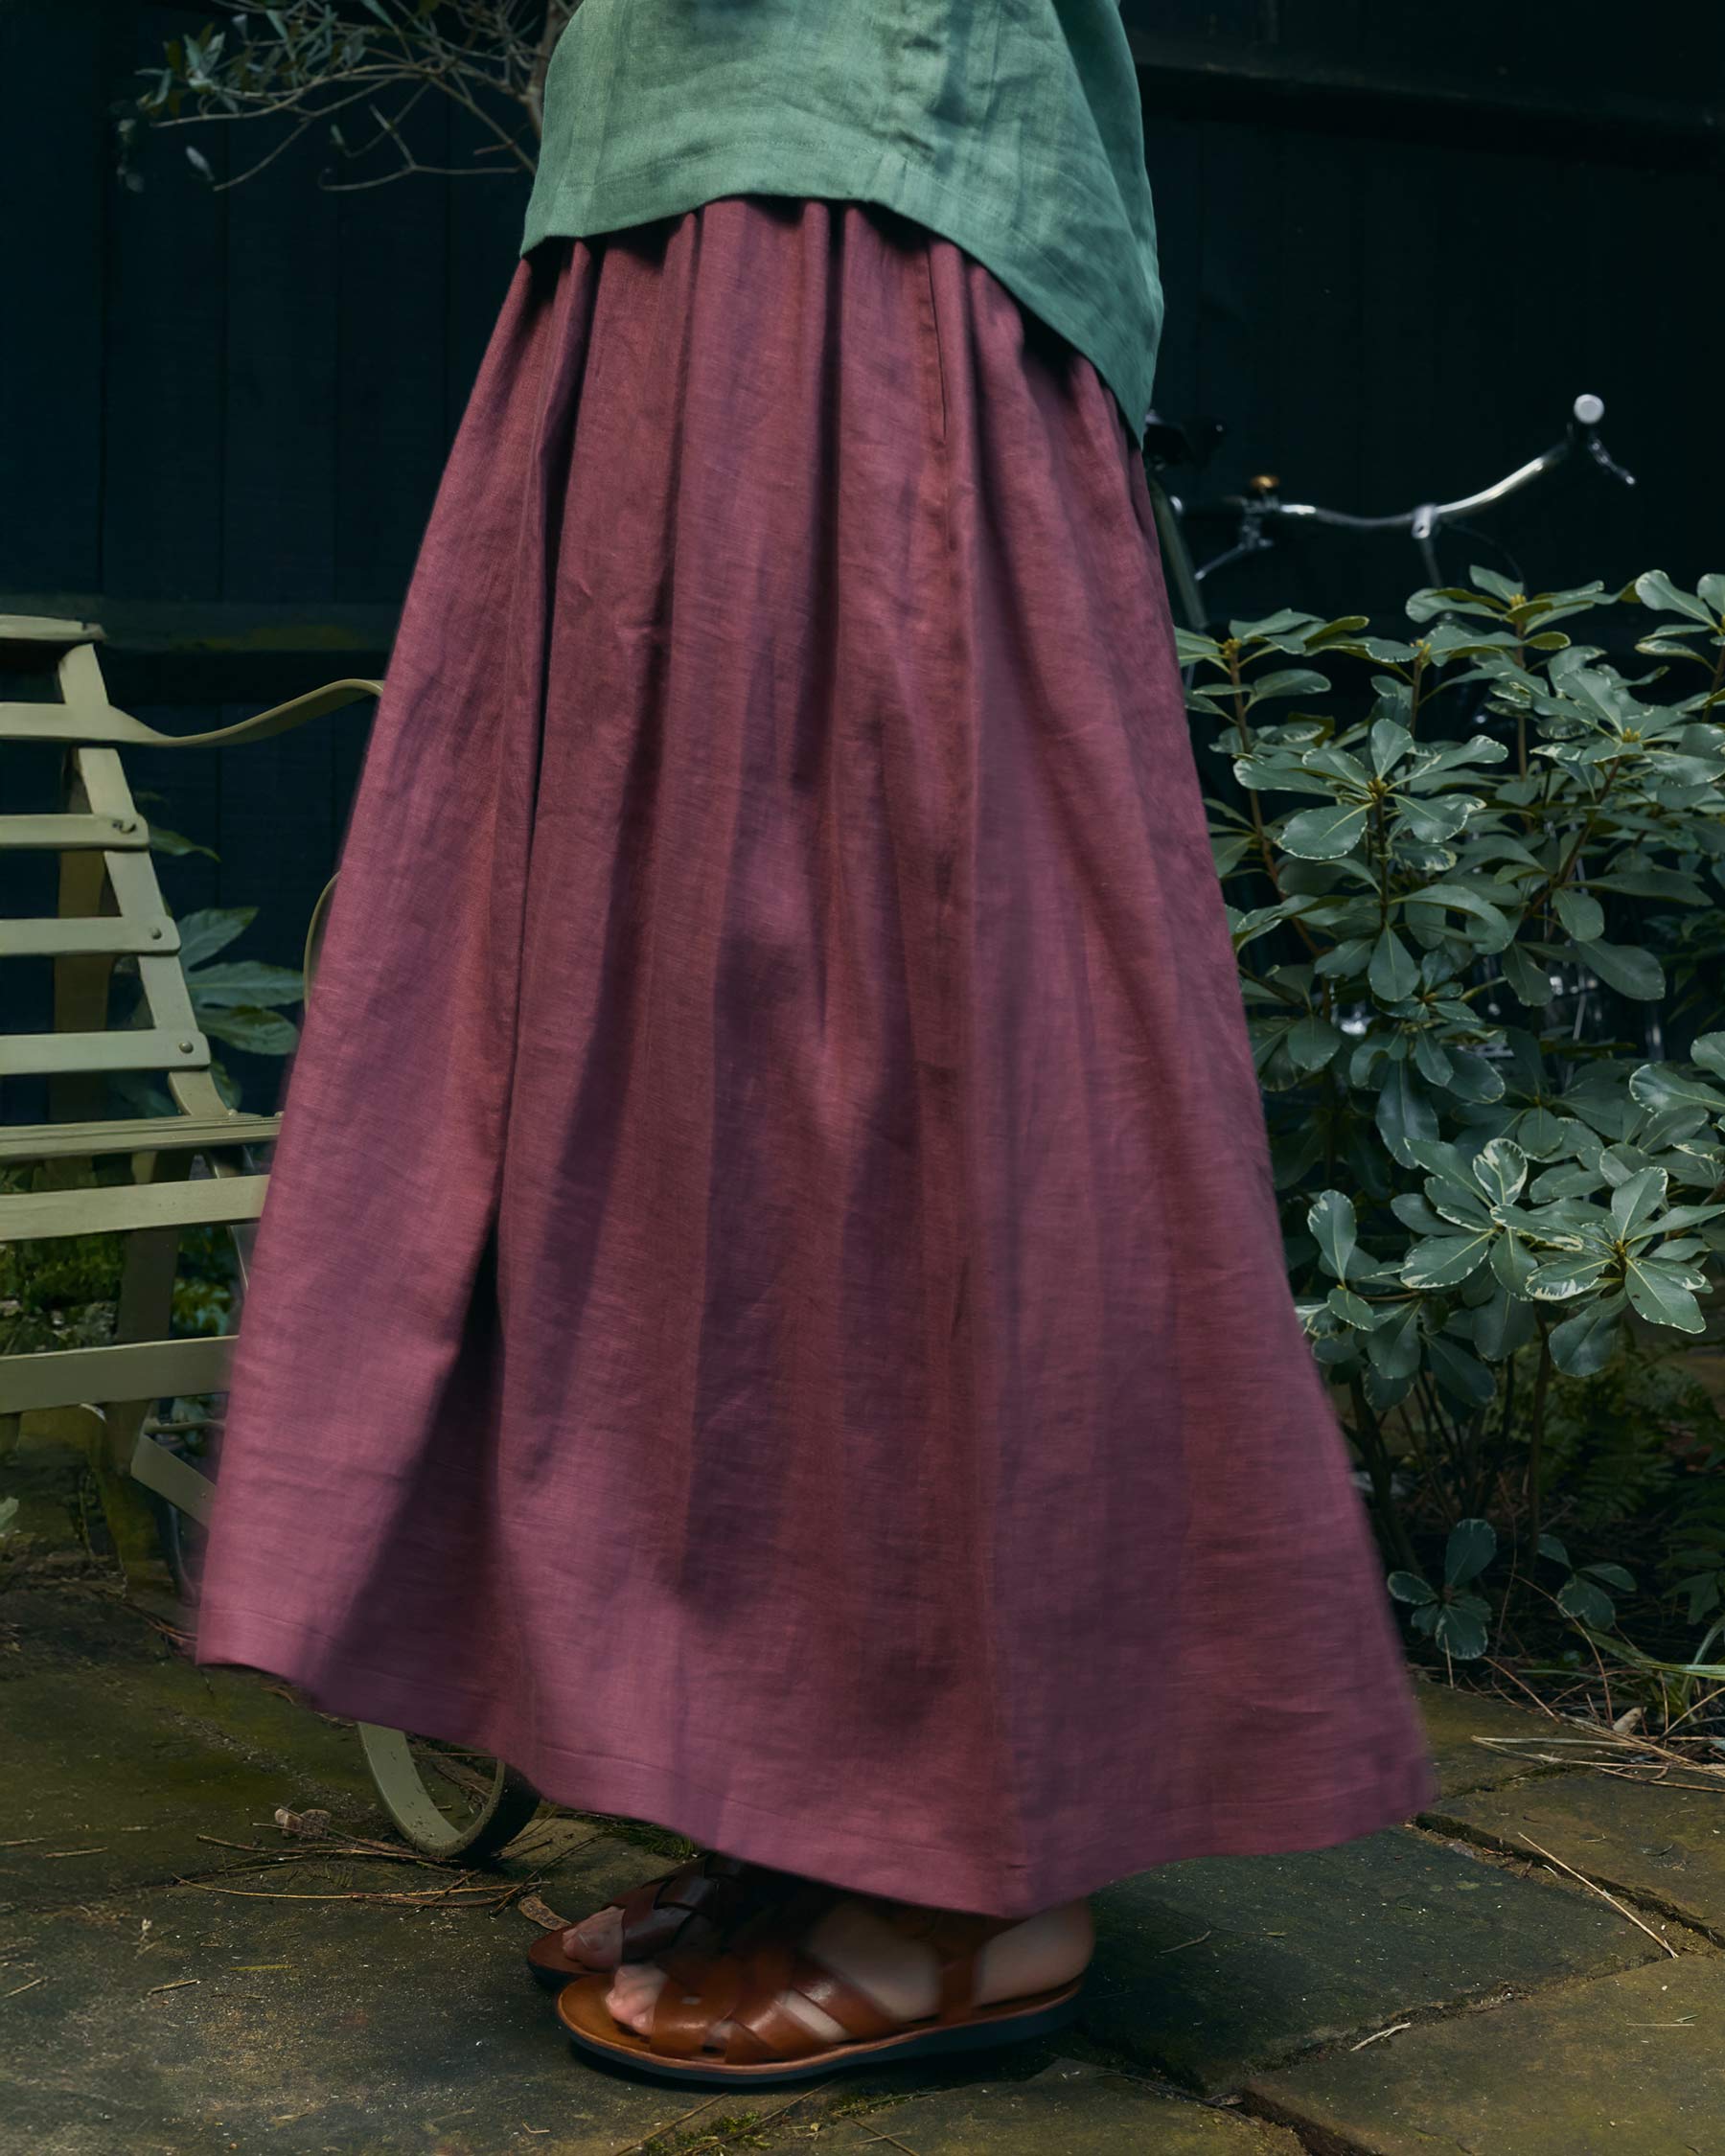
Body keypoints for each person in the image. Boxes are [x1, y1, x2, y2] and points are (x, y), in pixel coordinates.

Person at [194, 0, 1437, 2087]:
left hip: (856, 200)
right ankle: (810, 1807)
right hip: (667, 205)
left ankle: (970, 1879)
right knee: (680, 1057)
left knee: (892, 1028)